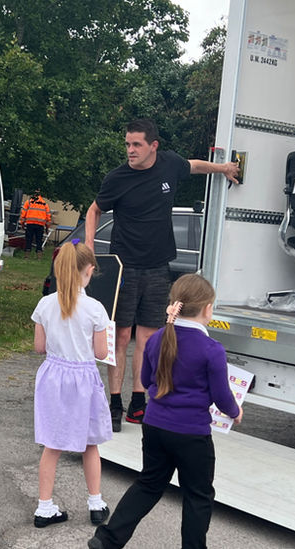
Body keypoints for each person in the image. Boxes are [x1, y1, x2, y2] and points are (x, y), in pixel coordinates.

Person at [85, 119, 239, 433]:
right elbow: (94, 210)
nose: (130, 150)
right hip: (124, 266)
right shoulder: (117, 178)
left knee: (149, 338)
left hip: (157, 267)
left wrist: (223, 168)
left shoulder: (169, 164)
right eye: (127, 144)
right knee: (122, 337)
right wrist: (90, 246)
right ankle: (115, 402)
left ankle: (138, 403)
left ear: (153, 146)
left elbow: (194, 166)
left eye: (137, 145)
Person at [87, 274, 243, 549]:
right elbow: (221, 397)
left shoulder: (158, 338)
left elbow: (147, 381)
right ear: (208, 309)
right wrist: (235, 411)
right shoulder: (212, 349)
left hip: (155, 426)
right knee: (198, 495)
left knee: (149, 483)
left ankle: (108, 539)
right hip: (192, 434)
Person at [30, 241, 111, 529]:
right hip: (84, 381)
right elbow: (101, 353)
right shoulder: (95, 309)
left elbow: (40, 347)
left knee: (52, 445)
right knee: (90, 444)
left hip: (53, 378)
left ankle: (44, 507)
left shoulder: (45, 304)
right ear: (89, 271)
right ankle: (96, 504)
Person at [20, 189, 52, 259]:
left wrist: (22, 223)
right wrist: (47, 227)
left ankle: (26, 256)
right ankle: (39, 257)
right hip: (40, 225)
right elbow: (48, 217)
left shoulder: (29, 202)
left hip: (30, 224)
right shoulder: (44, 204)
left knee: (28, 239)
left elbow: (23, 213)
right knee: (39, 240)